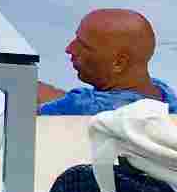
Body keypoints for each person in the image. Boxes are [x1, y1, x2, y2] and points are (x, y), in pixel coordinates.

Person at [39, 9, 170, 115]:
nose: (69, 49)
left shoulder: (86, 107)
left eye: (83, 46)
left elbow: (29, 115)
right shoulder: (164, 94)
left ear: (119, 63)